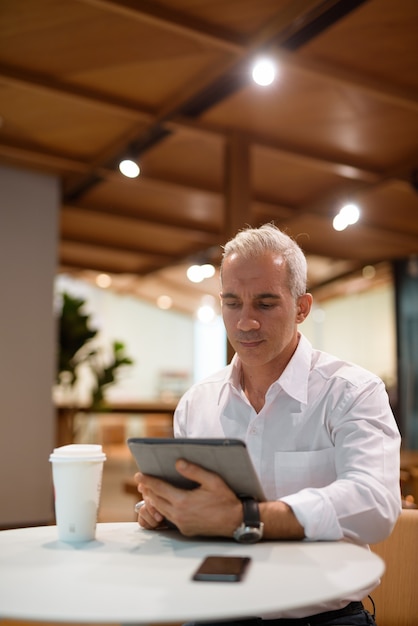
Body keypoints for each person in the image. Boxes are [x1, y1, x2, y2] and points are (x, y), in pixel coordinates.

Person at [135, 223, 401, 625]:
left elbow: (374, 505)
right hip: (213, 610)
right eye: (231, 303)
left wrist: (247, 518)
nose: (244, 322)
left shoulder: (351, 392)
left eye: (264, 303)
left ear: (302, 307)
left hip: (322, 616)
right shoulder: (197, 402)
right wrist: (165, 510)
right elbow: (195, 510)